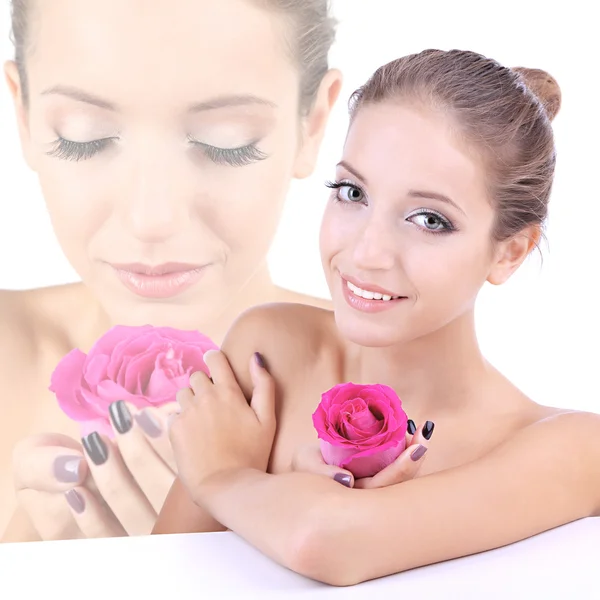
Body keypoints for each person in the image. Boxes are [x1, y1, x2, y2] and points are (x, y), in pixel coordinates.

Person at [156, 49, 600, 585]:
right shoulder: (271, 352)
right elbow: (158, 578)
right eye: (352, 192)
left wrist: (225, 476)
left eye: (429, 219)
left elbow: (323, 541)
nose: (367, 252)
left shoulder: (573, 448)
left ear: (509, 252)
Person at [0, 0, 343, 541]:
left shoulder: (396, 394)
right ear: (22, 115)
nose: (150, 218)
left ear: (314, 125)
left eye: (224, 143)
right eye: (82, 137)